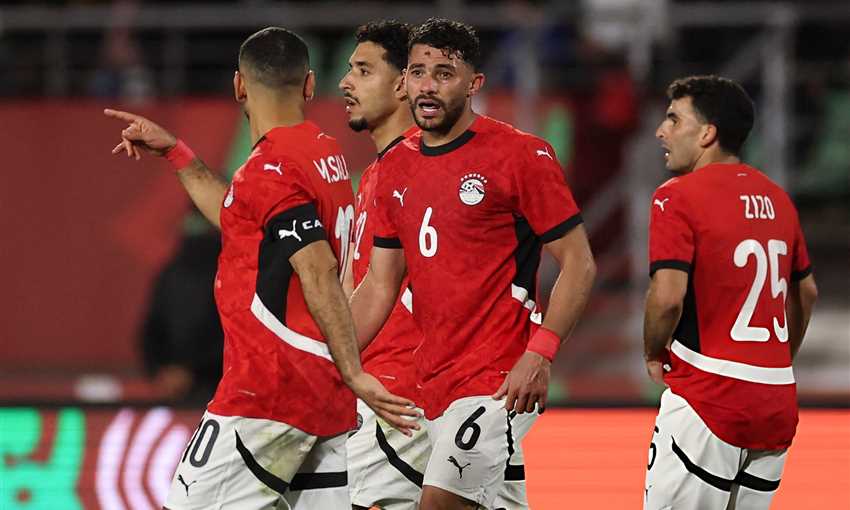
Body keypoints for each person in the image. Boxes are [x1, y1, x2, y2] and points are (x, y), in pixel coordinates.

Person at [105, 26, 417, 510]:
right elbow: (239, 214)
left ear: (239, 86)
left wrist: (355, 372)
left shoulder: (270, 169)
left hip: (267, 393)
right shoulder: (321, 152)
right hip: (322, 397)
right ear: (309, 86)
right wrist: (176, 152)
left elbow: (317, 267)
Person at [349, 18, 596, 510]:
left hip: (499, 380)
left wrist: (540, 353)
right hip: (432, 384)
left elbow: (579, 263)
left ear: (473, 84)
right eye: (418, 72)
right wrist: (325, 361)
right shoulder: (394, 168)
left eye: (444, 74)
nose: (428, 86)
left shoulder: (520, 155)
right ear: (405, 81)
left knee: (438, 503)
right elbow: (379, 284)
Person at [643, 75, 818, 509]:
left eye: (673, 119)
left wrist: (652, 351)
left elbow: (667, 297)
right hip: (776, 400)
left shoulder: (677, 197)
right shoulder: (779, 199)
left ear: (707, 133)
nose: (661, 131)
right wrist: (775, 363)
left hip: (708, 397)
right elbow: (807, 293)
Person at [338, 20, 429, 510]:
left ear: (401, 85)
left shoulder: (418, 168)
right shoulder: (380, 171)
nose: (345, 83)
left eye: (363, 70)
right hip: (379, 389)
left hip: (400, 398)